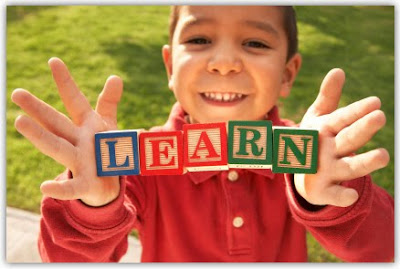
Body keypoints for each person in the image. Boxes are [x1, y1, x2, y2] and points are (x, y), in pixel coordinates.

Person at [11, 6, 393, 262]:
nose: (224, 63)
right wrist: (91, 205)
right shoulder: (135, 165)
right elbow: (65, 260)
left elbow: (385, 247)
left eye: (255, 42)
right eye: (199, 39)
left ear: (288, 75)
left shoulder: (309, 159)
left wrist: (334, 200)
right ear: (169, 66)